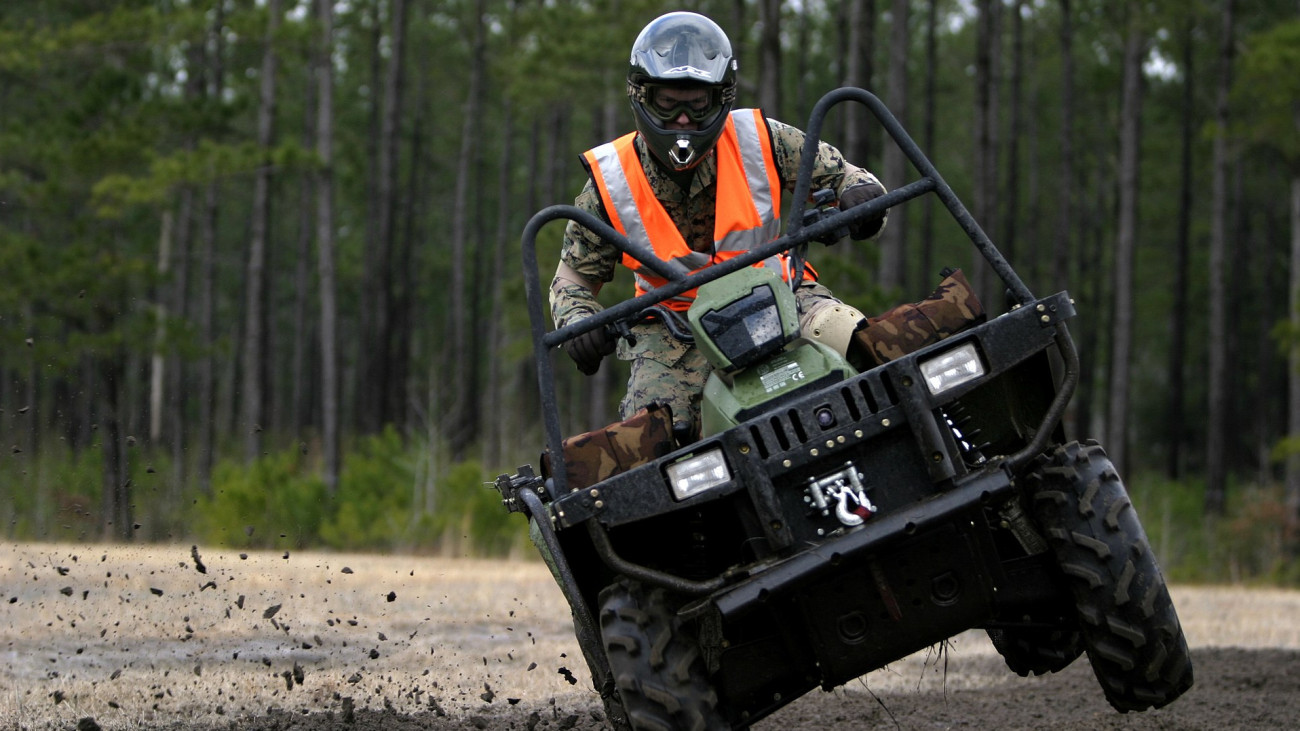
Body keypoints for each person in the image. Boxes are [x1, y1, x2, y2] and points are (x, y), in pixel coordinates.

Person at [550, 11, 888, 440]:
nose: (684, 121)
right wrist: (579, 324)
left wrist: (861, 198)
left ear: (722, 98)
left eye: (698, 105)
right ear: (641, 97)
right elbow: (573, 277)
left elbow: (848, 177)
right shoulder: (610, 181)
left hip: (781, 297)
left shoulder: (761, 137)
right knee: (650, 434)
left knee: (857, 342)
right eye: (668, 104)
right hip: (674, 332)